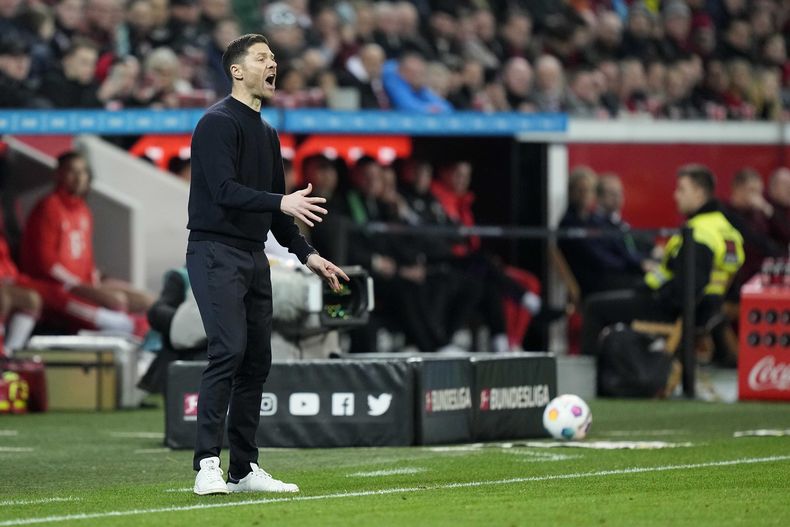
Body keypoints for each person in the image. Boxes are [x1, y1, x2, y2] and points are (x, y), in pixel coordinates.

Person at [187, 33, 348, 496]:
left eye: (273, 58)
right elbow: (224, 191)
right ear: (237, 71)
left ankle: (244, 468)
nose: (272, 64)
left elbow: (276, 218)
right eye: (262, 58)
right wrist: (281, 200)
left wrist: (309, 255)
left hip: (253, 257)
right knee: (228, 350)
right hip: (214, 251)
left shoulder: (269, 133)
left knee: (257, 361)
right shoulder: (216, 123)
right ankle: (206, 465)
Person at [581, 164, 744, 355]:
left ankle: (591, 376)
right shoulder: (727, 231)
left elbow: (686, 290)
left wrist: (656, 294)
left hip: (673, 311)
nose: (676, 195)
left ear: (699, 194)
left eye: (682, 189)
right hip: (709, 310)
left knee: (593, 307)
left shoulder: (698, 233)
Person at [21, 151, 154, 319]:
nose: (79, 177)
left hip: (82, 281)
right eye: (72, 171)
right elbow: (45, 262)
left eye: (83, 172)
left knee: (146, 300)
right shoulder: (48, 207)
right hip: (56, 285)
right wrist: (76, 283)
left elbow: (86, 255)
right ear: (59, 174)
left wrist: (93, 277)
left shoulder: (83, 210)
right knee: (116, 301)